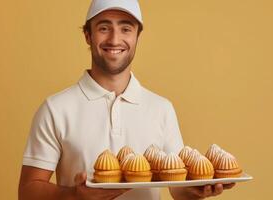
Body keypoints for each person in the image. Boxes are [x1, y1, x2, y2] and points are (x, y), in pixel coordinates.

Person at [18, 0, 235, 199]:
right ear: (88, 35)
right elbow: (27, 191)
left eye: (125, 28)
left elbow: (177, 188)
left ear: (137, 36)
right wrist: (76, 196)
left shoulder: (162, 109)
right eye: (104, 28)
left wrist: (197, 190)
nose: (114, 39)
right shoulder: (55, 109)